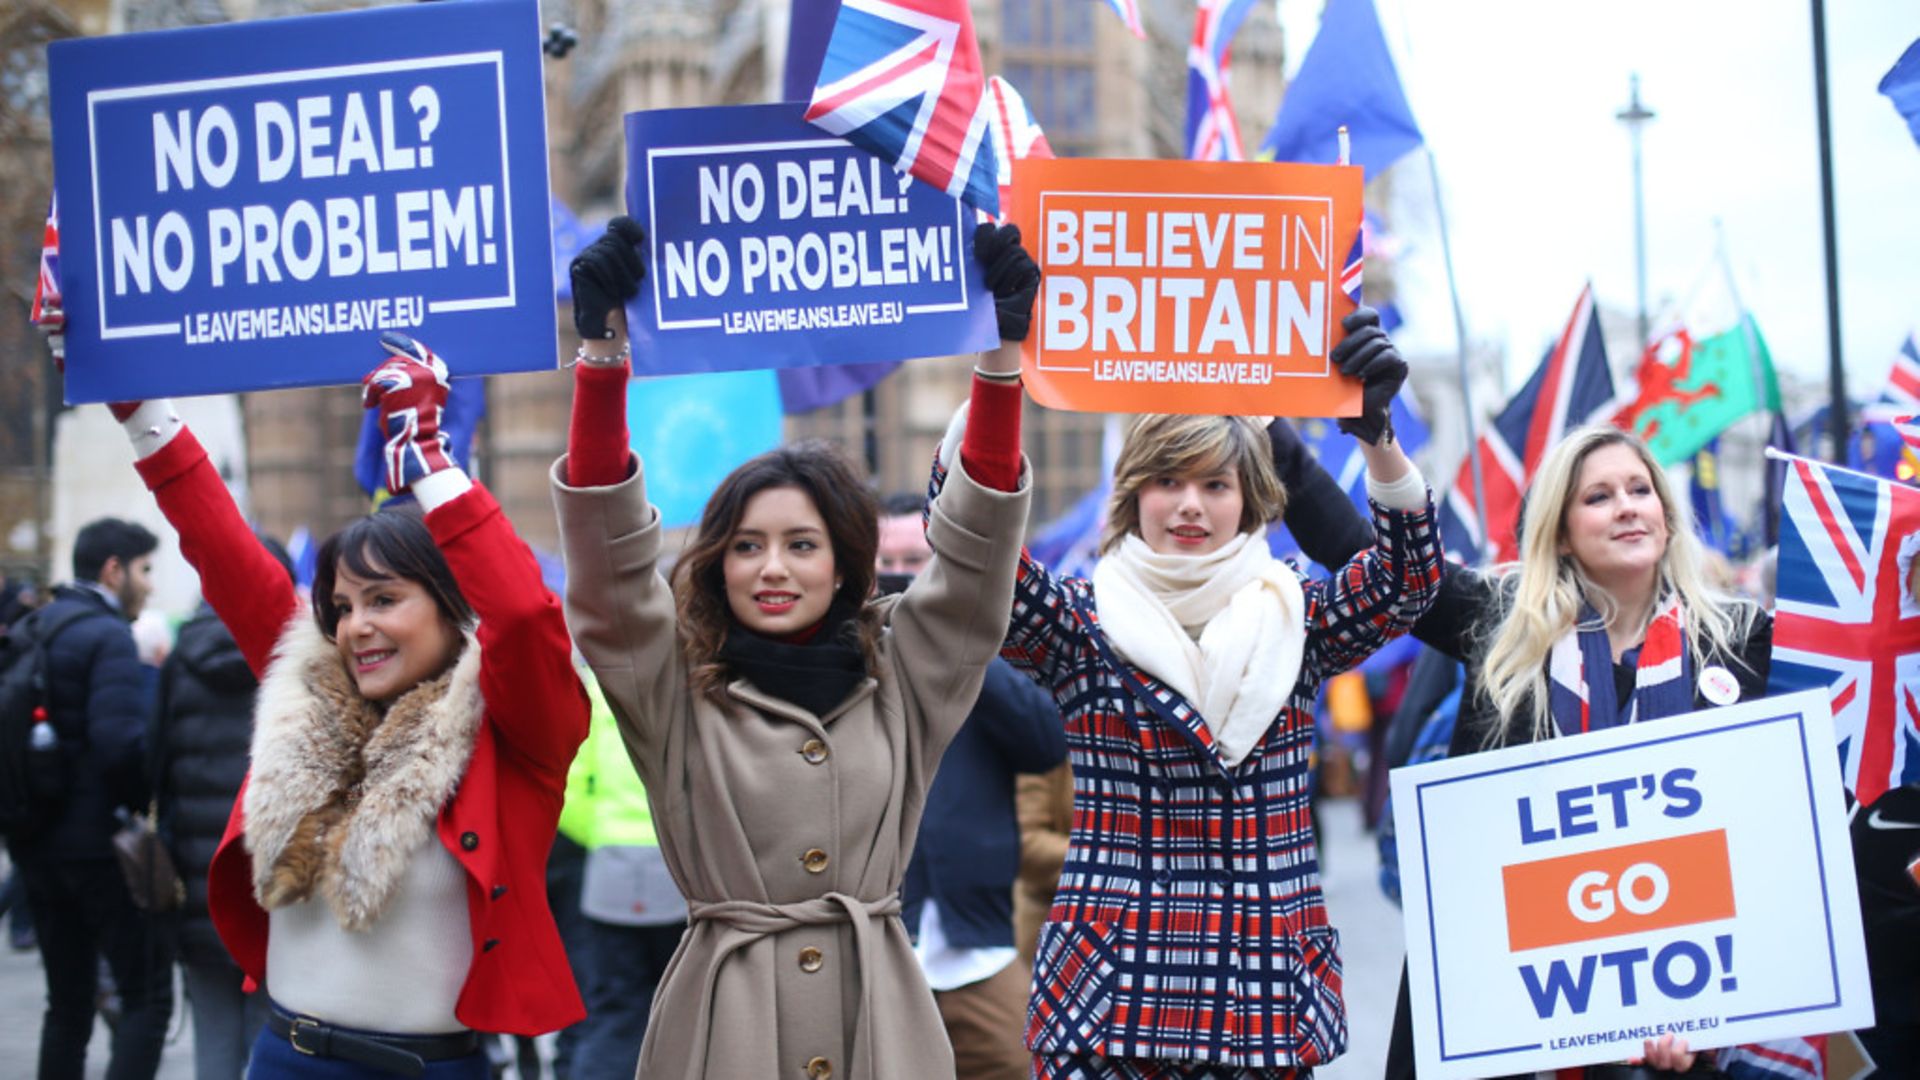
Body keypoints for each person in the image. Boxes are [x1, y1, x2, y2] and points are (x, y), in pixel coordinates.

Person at [549, 216, 1036, 1080]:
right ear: (718, 563)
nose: (772, 567)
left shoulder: (902, 677)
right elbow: (609, 573)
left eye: (801, 544)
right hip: (724, 1032)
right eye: (746, 545)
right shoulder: (674, 688)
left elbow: (974, 563)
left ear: (847, 564)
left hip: (879, 1026)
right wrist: (601, 357)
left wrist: (1002, 359)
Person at [113, 335, 589, 1077]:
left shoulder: (512, 728)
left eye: (385, 599)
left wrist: (428, 460)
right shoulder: (312, 693)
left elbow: (526, 616)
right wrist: (138, 406)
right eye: (341, 606)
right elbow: (220, 546)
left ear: (453, 608)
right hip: (280, 1057)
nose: (356, 625)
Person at [997, 306, 1442, 1078]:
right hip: (1109, 1011)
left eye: (1215, 483)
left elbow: (1408, 582)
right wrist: (1001, 366)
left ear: (1254, 500)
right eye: (1167, 481)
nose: (1191, 505)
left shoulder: (1296, 614)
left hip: (1260, 1003)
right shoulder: (1079, 621)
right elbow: (974, 554)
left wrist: (1377, 437)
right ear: (1132, 495)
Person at [1273, 419, 1771, 1077]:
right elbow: (1361, 550)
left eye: (1639, 490)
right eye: (1598, 497)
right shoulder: (1504, 621)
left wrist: (1711, 1014)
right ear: (1559, 529)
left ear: (1668, 515)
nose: (1626, 506)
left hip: (1682, 1003)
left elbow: (1768, 834)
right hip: (1506, 1011)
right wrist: (1274, 426)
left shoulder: (1741, 640)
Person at [881, 493, 1068, 1080]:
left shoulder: (984, 649)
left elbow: (1045, 742)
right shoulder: (845, 659)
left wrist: (961, 644)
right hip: (880, 949)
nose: (900, 580)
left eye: (916, 563)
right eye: (887, 564)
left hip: (978, 944)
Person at [7, 516, 173, 1080]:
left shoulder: (34, 625)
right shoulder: (106, 635)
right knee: (147, 997)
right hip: (98, 847)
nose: (149, 585)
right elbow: (119, 744)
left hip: (34, 843)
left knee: (68, 1003)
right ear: (113, 569)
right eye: (144, 571)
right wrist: (140, 802)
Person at [150, 535, 291, 1080]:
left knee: (213, 1035)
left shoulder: (180, 659)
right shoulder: (291, 660)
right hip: (271, 882)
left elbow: (153, 766)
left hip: (199, 880)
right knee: (271, 1033)